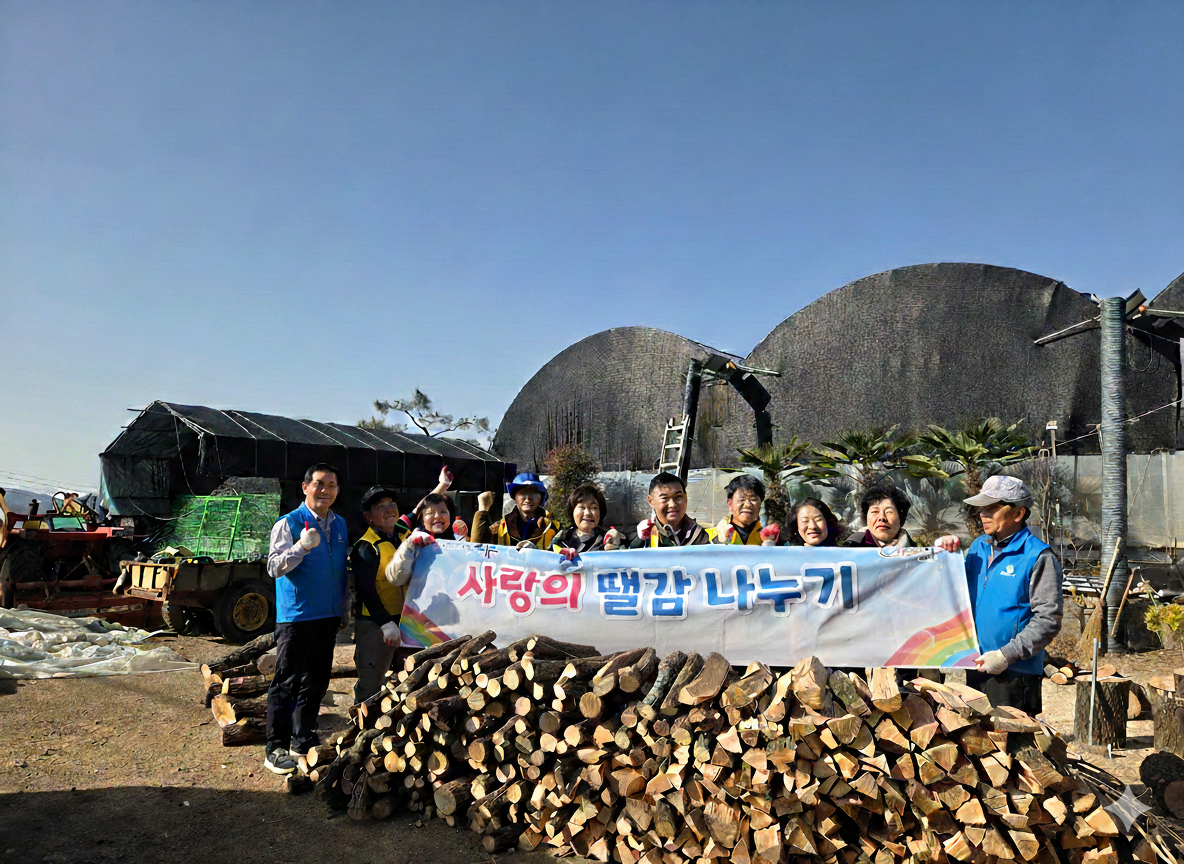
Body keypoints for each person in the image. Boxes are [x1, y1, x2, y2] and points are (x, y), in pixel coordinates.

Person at [935, 475, 1063, 714]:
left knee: (1009, 737)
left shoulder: (1038, 556)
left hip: (1015, 674)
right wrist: (944, 555)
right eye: (981, 509)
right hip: (976, 665)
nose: (983, 515)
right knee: (978, 736)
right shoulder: (978, 548)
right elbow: (956, 593)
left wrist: (1005, 655)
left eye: (992, 508)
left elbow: (1048, 620)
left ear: (1018, 513)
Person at [263, 463, 350, 775]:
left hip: (327, 615)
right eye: (319, 484)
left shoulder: (340, 524)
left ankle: (302, 738)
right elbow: (273, 567)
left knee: (316, 680)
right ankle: (275, 747)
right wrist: (300, 547)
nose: (325, 490)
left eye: (331, 485)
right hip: (296, 617)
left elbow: (340, 571)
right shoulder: (287, 523)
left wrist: (344, 608)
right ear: (305, 487)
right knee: (287, 682)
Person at [350, 486, 409, 705]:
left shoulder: (404, 536)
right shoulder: (365, 547)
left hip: (405, 620)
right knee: (371, 682)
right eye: (381, 507)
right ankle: (361, 722)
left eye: (392, 504)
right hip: (374, 624)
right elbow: (365, 590)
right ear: (369, 517)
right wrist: (385, 623)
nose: (389, 509)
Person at [470, 472, 559, 549]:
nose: (528, 498)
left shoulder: (554, 528)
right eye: (523, 493)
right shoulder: (500, 527)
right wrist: (483, 509)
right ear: (514, 497)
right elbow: (476, 550)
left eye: (534, 493)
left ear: (541, 497)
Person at [631, 472, 716, 547]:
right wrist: (640, 541)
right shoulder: (644, 538)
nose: (672, 504)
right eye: (665, 498)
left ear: (686, 498)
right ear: (651, 501)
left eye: (678, 497)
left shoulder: (700, 536)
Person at [551, 483, 624, 553]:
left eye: (594, 508)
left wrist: (614, 549)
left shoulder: (609, 537)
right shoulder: (562, 537)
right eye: (582, 507)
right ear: (572, 511)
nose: (587, 513)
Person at [713, 474, 780, 546]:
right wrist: (720, 542)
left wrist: (773, 549)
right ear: (730, 504)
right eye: (741, 499)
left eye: (753, 499)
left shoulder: (772, 536)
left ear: (760, 505)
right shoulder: (711, 536)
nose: (748, 504)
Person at [843, 486, 914, 548]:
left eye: (889, 512)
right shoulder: (852, 547)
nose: (882, 517)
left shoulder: (916, 550)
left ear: (901, 517)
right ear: (866, 517)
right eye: (875, 511)